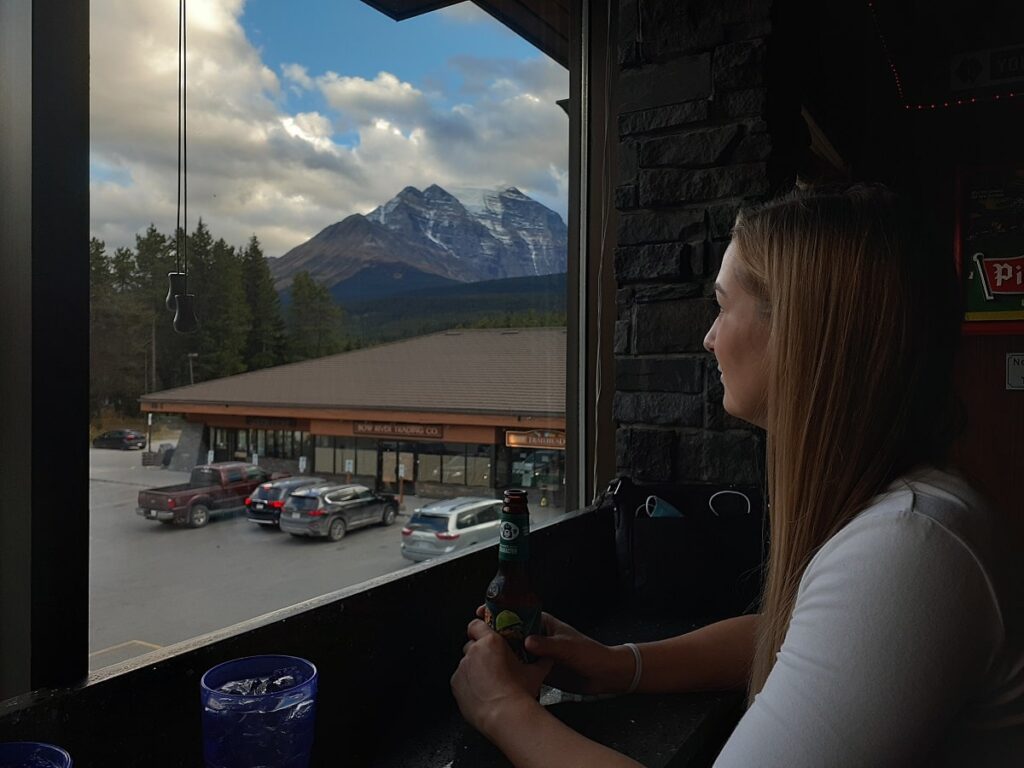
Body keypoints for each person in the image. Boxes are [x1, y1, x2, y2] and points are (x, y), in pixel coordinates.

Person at [450, 184, 1024, 766]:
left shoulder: (908, 547)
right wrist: (620, 664)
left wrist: (503, 709)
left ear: (800, 332)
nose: (709, 338)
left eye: (723, 307)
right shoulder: (910, 512)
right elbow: (798, 637)